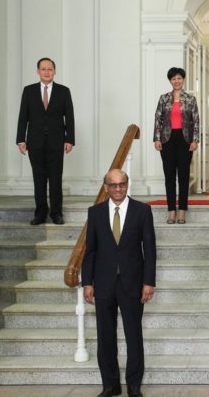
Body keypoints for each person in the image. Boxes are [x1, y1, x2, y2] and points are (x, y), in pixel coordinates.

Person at [82, 169, 157, 397]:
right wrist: (87, 282)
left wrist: (148, 282)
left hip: (133, 283)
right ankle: (110, 385)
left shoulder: (142, 211)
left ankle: (134, 385)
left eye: (122, 184)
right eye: (113, 185)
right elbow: (90, 251)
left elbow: (150, 250)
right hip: (103, 283)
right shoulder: (94, 213)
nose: (118, 189)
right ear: (106, 187)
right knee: (105, 336)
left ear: (127, 185)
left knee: (133, 335)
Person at [16, 57, 75, 225]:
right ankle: (40, 213)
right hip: (34, 142)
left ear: (54, 71)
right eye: (43, 69)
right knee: (39, 179)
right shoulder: (29, 91)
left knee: (56, 179)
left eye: (50, 69)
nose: (47, 72)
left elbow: (69, 117)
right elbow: (23, 117)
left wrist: (69, 139)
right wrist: (21, 139)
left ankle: (56, 213)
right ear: (38, 71)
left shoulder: (64, 91)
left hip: (57, 142)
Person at [153, 67, 200, 225]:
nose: (177, 81)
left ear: (183, 80)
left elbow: (196, 121)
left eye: (179, 78)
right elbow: (158, 119)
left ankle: (182, 212)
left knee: (184, 176)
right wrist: (157, 139)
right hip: (167, 139)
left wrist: (195, 140)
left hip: (185, 139)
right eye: (173, 79)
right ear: (170, 81)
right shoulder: (163, 98)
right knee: (169, 177)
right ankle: (171, 211)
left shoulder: (190, 99)